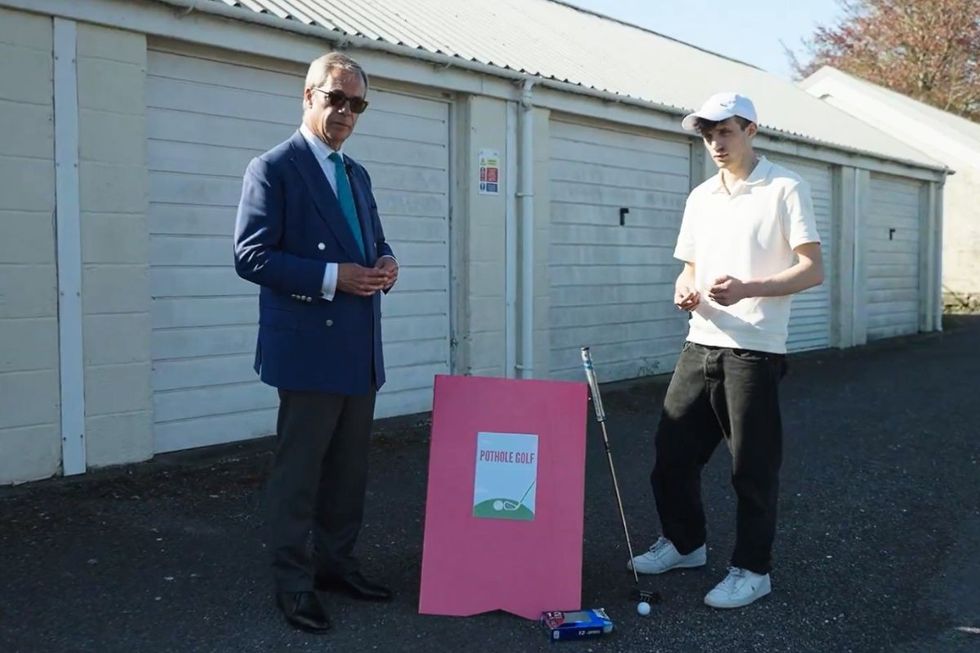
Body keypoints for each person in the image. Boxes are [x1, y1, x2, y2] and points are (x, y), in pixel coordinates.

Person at [628, 92, 823, 609]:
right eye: (708, 133)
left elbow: (812, 268)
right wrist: (683, 288)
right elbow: (688, 266)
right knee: (671, 456)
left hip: (753, 351)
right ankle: (686, 544)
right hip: (700, 342)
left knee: (751, 469)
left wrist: (748, 288)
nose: (716, 141)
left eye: (726, 131)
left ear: (752, 130)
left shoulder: (785, 187)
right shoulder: (701, 197)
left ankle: (753, 571)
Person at [234, 51, 398, 633]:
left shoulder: (357, 173)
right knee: (299, 473)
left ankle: (336, 564)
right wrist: (335, 278)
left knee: (348, 471)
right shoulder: (274, 167)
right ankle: (292, 582)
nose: (347, 112)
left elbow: (372, 239)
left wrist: (385, 262)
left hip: (358, 343)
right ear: (308, 97)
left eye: (357, 103)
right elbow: (250, 256)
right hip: (309, 344)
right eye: (336, 98)